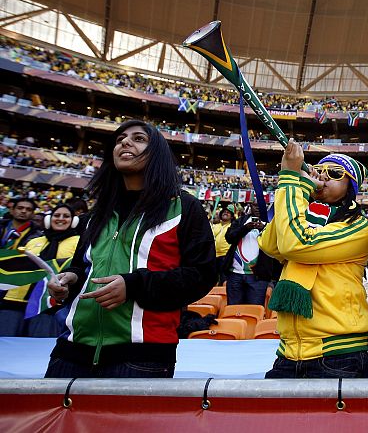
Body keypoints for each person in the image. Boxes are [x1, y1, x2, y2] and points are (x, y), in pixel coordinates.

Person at [45, 120, 217, 378]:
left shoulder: (185, 207)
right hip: (70, 350)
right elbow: (83, 266)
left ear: (157, 153)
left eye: (138, 138)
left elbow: (202, 275)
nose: (124, 142)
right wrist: (71, 279)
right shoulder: (97, 213)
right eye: (120, 139)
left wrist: (134, 285)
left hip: (142, 357)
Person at [259, 146, 368, 378]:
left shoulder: (358, 226)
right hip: (289, 351)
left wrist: (291, 181)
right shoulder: (304, 213)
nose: (323, 176)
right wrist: (299, 189)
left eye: (334, 173)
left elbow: (296, 244)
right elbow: (270, 245)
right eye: (319, 170)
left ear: (350, 187)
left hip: (339, 353)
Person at [21, 204, 81, 337]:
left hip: (54, 305)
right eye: (56, 215)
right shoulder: (33, 241)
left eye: (66, 216)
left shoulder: (79, 241)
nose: (61, 219)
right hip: (22, 302)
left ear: (74, 221)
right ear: (49, 219)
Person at [0, 197, 42, 335]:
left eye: (28, 209)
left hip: (13, 285)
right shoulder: (2, 227)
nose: (24, 211)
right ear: (12, 210)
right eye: (20, 208)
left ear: (33, 214)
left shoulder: (38, 236)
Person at [223, 204, 279, 305]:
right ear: (250, 206)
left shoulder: (271, 223)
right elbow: (229, 238)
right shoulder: (241, 221)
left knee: (254, 310)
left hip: (258, 277)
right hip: (235, 274)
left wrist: (264, 229)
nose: (258, 207)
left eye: (261, 205)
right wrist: (245, 228)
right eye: (255, 205)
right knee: (233, 310)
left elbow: (277, 243)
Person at [211, 204, 234, 284]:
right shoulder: (214, 226)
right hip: (213, 256)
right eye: (224, 212)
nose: (225, 213)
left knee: (224, 278)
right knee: (212, 279)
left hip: (225, 256)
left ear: (232, 216)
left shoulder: (233, 226)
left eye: (228, 212)